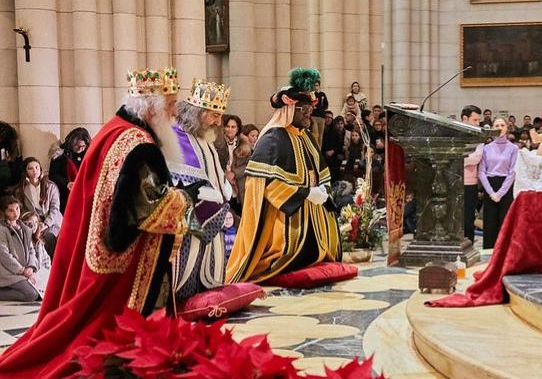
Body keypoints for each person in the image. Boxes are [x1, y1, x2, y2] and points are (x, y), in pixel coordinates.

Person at [0, 67, 200, 378]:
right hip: (122, 266)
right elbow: (144, 208)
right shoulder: (137, 142)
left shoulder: (115, 129)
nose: (175, 113)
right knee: (99, 336)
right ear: (151, 106)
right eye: (171, 105)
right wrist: (185, 200)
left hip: (100, 251)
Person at [226, 68, 341, 284]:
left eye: (309, 109)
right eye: (304, 110)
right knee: (290, 252)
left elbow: (321, 167)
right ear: (290, 110)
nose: (309, 114)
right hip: (286, 216)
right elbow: (266, 183)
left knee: (323, 249)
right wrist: (305, 194)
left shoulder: (305, 136)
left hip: (311, 212)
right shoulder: (273, 138)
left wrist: (323, 188)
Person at [163, 78, 232, 302]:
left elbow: (215, 172)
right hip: (191, 218)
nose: (218, 121)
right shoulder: (177, 136)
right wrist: (211, 198)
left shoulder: (203, 137)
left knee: (209, 278)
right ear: (198, 112)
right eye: (214, 114)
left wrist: (225, 191)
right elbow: (182, 181)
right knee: (187, 270)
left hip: (214, 214)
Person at [479, 117, 517, 249]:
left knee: (504, 221)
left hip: (506, 186)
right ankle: (489, 252)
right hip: (490, 185)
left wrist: (500, 193)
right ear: (493, 128)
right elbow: (482, 172)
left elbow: (513, 172)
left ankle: (504, 252)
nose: (500, 127)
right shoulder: (486, 148)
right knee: (489, 222)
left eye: (502, 125)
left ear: (507, 127)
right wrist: (490, 192)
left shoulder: (513, 148)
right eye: (497, 125)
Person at [13, 157, 62, 257]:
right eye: (30, 168)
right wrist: (33, 222)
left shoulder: (51, 186)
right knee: (29, 241)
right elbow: (21, 210)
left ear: (40, 168)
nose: (34, 170)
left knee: (49, 238)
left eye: (36, 167)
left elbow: (55, 209)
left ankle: (49, 265)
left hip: (51, 222)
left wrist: (46, 224)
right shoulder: (20, 190)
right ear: (26, 172)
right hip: (32, 222)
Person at [0, 196, 38, 302]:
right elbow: (4, 254)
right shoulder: (2, 229)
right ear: (4, 212)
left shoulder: (24, 228)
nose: (15, 213)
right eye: (11, 210)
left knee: (40, 292)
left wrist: (31, 267)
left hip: (25, 271)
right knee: (31, 295)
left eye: (17, 209)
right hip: (9, 272)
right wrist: (21, 270)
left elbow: (31, 250)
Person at [48, 128, 90, 212]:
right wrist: (67, 183)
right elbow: (53, 175)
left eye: (83, 146)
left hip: (85, 195)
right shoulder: (60, 154)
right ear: (71, 143)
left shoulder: (88, 152)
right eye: (77, 146)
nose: (80, 149)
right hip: (65, 196)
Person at [461, 105, 483, 243]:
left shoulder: (479, 137)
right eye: (475, 120)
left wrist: (459, 159)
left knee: (469, 217)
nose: (478, 123)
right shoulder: (453, 134)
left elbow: (476, 157)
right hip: (453, 181)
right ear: (465, 118)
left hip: (470, 182)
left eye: (478, 120)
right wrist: (463, 159)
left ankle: (468, 243)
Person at [20, 211, 51, 297]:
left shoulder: (38, 241)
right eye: (30, 223)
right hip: (28, 275)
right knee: (34, 294)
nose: (34, 225)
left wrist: (46, 271)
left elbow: (46, 259)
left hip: (40, 275)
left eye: (36, 222)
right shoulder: (23, 239)